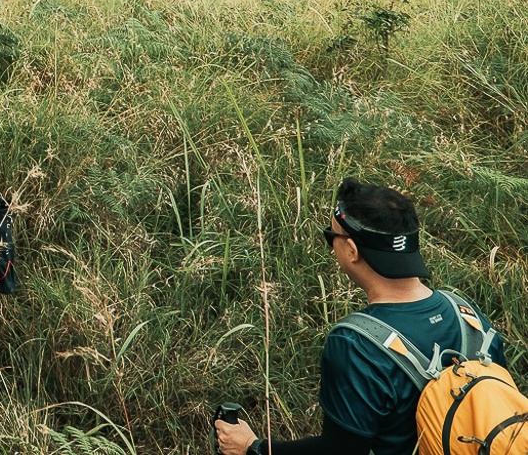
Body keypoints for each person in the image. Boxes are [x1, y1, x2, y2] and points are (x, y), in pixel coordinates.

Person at [215, 179, 511, 455]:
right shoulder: (467, 313)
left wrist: (253, 447)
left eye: (330, 236)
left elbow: (340, 451)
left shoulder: (355, 344)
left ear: (352, 250)